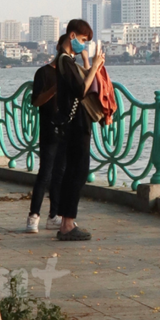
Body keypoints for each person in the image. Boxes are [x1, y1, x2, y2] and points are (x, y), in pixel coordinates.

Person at [53, 17, 104, 242]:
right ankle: (67, 223)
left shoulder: (66, 61)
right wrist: (93, 67)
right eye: (82, 40)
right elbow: (81, 90)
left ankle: (67, 221)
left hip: (72, 123)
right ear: (72, 36)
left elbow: (79, 83)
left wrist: (85, 61)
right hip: (75, 125)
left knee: (73, 171)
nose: (83, 44)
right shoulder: (65, 61)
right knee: (78, 171)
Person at [26, 33, 70, 233]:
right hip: (49, 129)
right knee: (45, 173)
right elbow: (35, 101)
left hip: (66, 129)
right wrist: (54, 89)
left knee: (60, 173)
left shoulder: (71, 72)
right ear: (59, 48)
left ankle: (54, 215)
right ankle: (33, 216)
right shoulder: (43, 73)